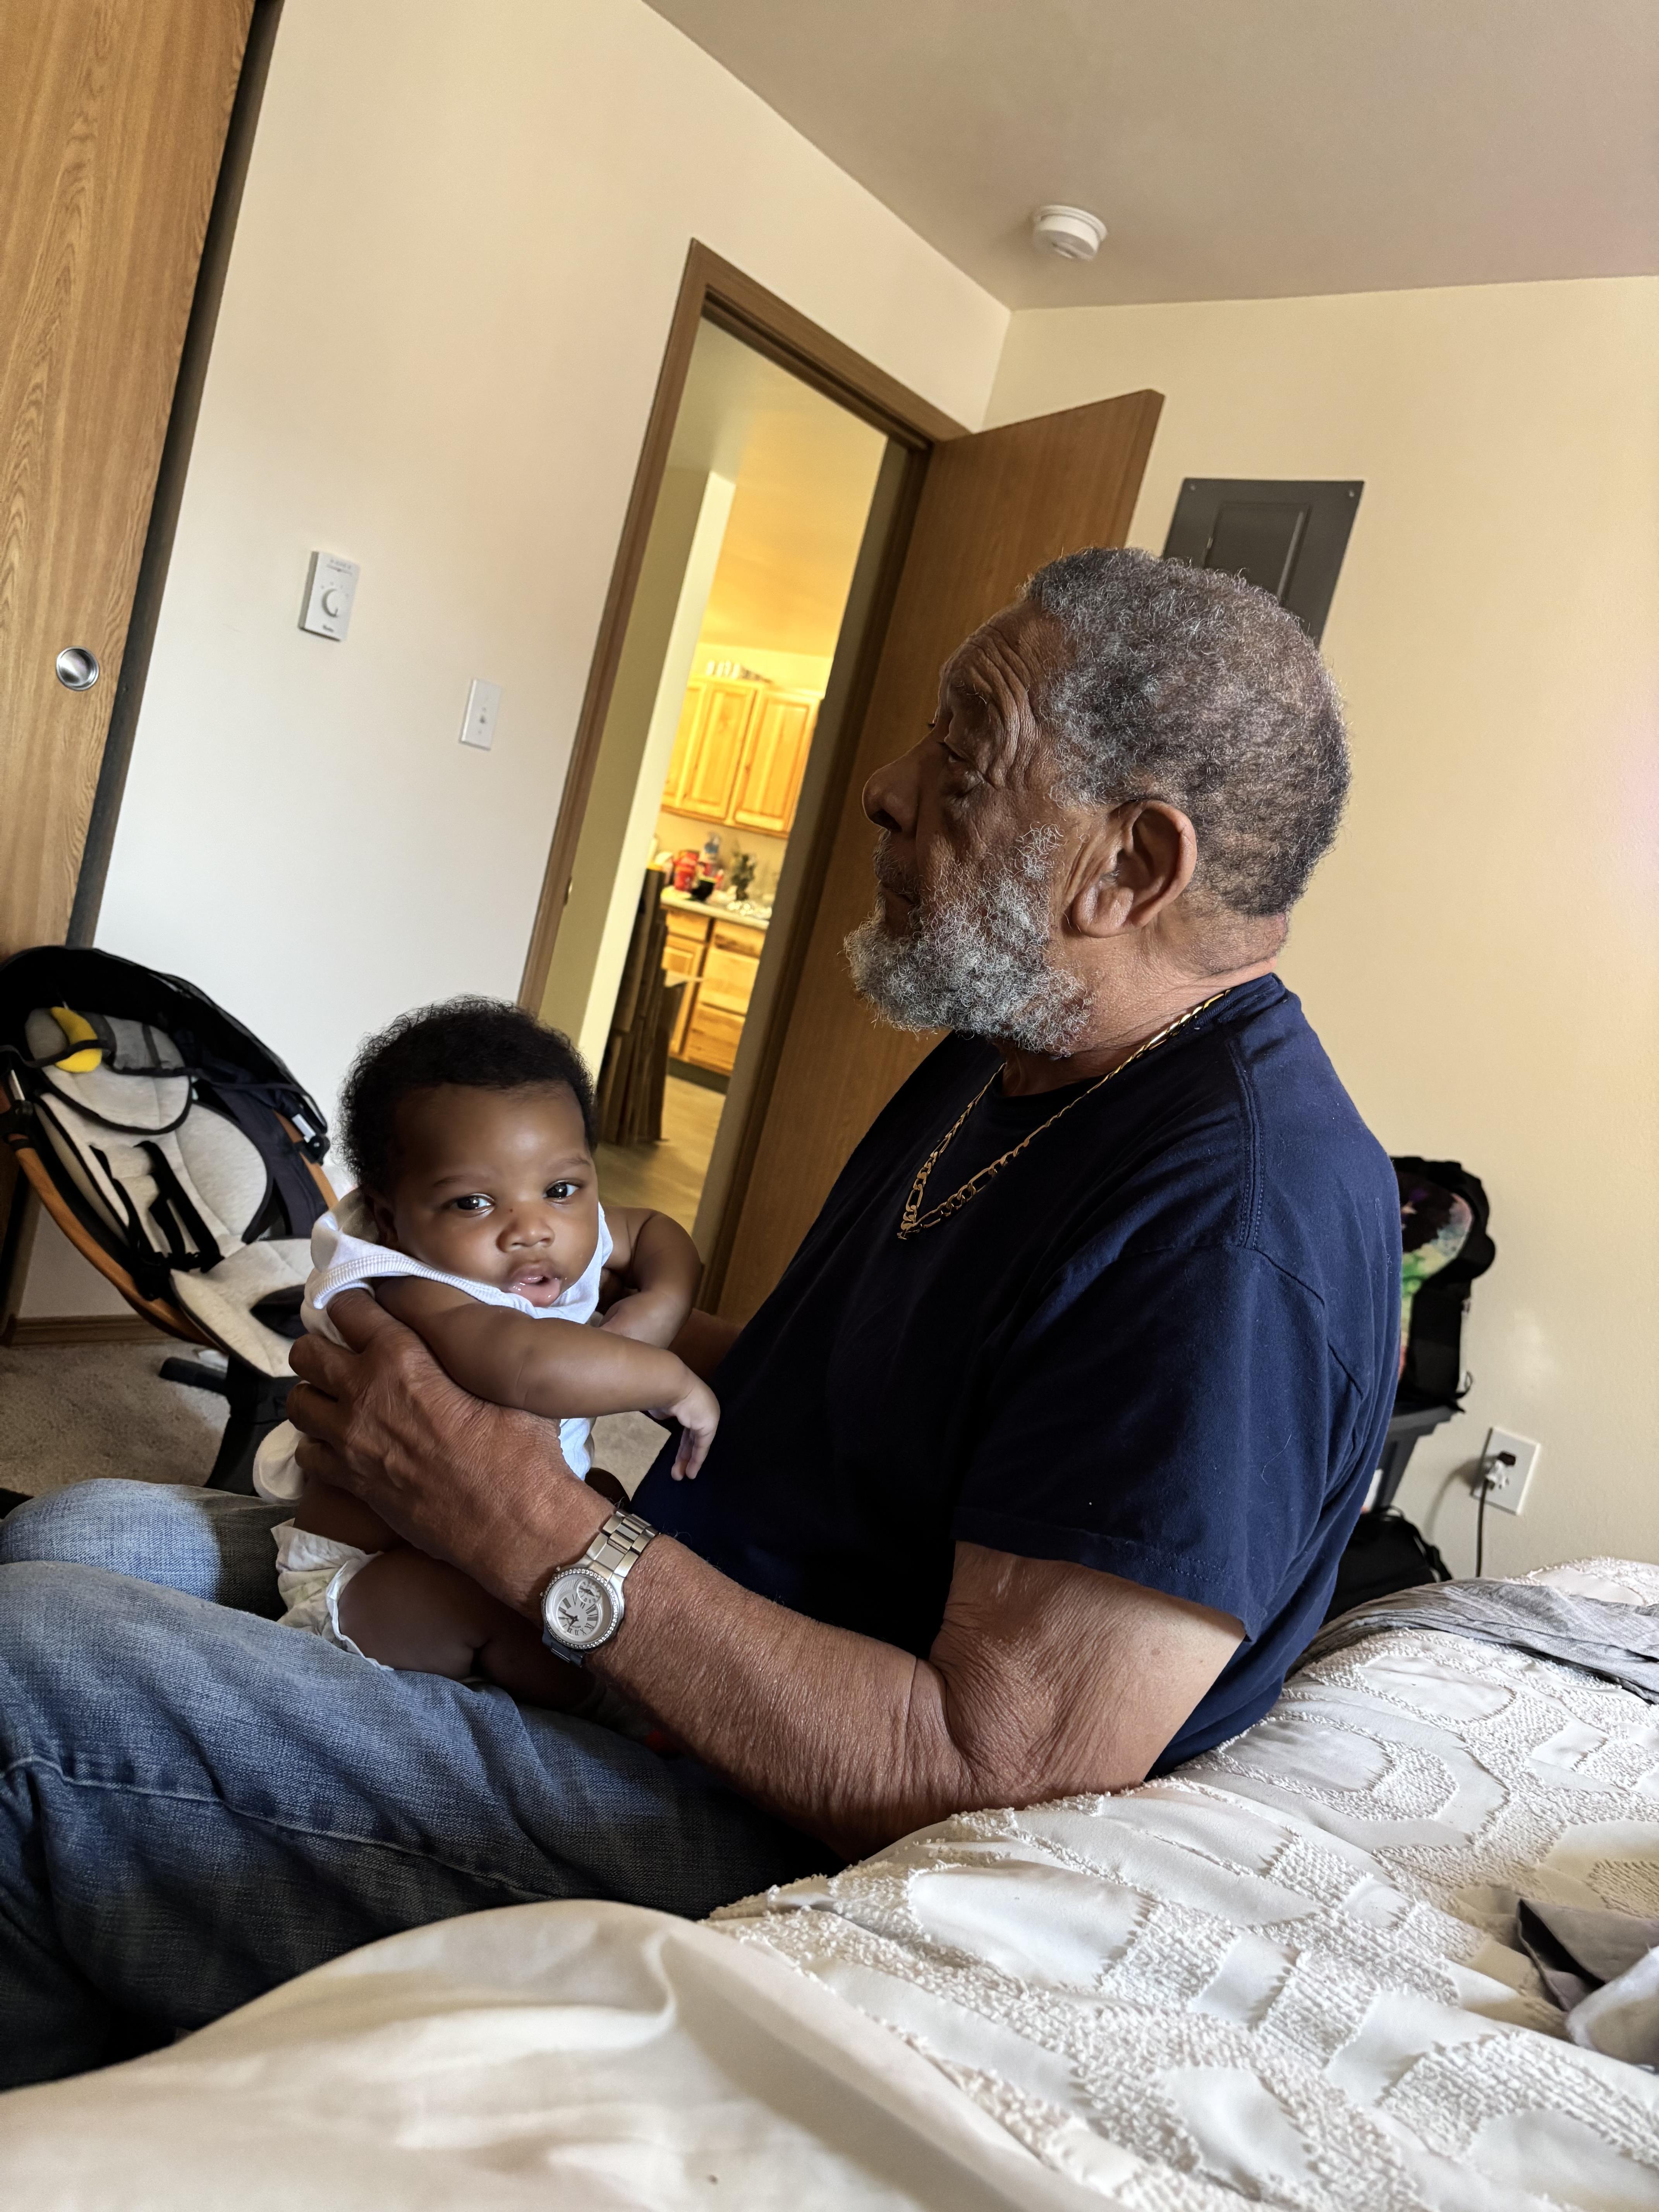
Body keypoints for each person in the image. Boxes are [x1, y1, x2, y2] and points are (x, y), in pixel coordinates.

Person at [0, 547, 1400, 2085]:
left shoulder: (1230, 1228)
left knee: (26, 1666)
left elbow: (991, 1785)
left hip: (793, 1855)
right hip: (665, 1658)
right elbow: (840, 1400)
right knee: (71, 1539)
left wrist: (525, 1522)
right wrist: (507, 1328)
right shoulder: (1019, 1052)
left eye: (962, 749)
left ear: (1129, 868)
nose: (883, 785)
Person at [252, 999, 715, 1703]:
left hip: (476, 1532)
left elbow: (659, 1233)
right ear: (389, 1216)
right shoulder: (408, 1283)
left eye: (562, 1188)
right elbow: (528, 1362)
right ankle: (589, 1709)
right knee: (491, 1605)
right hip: (373, 1576)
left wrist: (657, 1307)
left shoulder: (561, 1228)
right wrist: (670, 1377)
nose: (530, 1229)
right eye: (473, 1203)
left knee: (605, 1511)